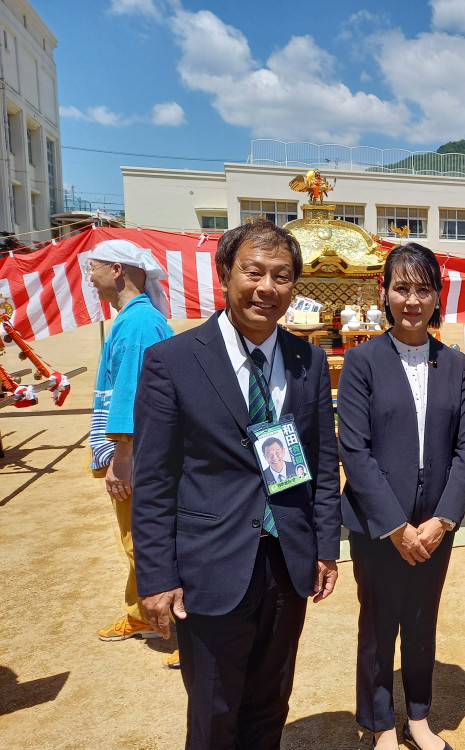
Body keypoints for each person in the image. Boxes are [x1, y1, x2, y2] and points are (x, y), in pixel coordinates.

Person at [131, 219, 342, 750]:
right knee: (214, 710)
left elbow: (319, 459)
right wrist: (155, 578)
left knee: (270, 702)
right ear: (226, 273)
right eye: (254, 272)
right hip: (210, 564)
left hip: (286, 561)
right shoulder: (172, 361)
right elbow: (154, 479)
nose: (267, 288)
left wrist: (323, 546)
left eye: (282, 276)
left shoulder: (308, 360)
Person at [338, 242, 465, 750]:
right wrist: (395, 526)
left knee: (422, 618)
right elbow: (353, 449)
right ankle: (379, 723)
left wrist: (443, 520)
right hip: (379, 525)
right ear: (385, 294)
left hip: (434, 524)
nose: (412, 299)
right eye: (402, 288)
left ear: (438, 295)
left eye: (422, 289)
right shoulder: (361, 362)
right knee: (377, 624)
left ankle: (418, 715)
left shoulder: (456, 365)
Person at [88, 240, 174, 654]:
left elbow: (134, 397)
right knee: (135, 540)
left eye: (94, 267)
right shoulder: (137, 319)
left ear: (117, 270)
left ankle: (182, 630)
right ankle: (142, 613)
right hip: (139, 456)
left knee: (146, 541)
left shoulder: (139, 324)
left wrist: (123, 459)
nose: (90, 276)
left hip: (139, 459)